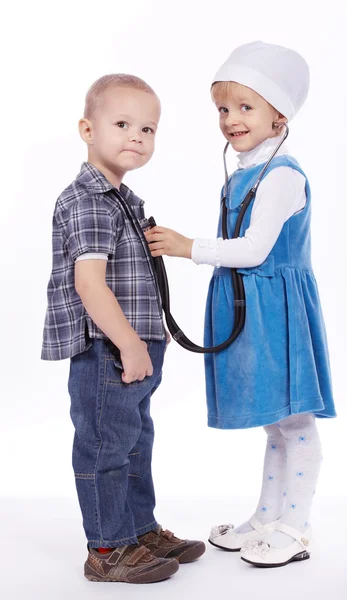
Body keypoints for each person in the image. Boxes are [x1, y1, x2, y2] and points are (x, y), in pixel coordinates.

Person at [145, 42, 337, 568]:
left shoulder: (282, 174)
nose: (231, 119)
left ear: (280, 115)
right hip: (253, 303)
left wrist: (188, 247)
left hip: (278, 308)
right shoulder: (246, 171)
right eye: (223, 109)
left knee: (295, 420)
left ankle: (295, 528)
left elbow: (255, 249)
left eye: (245, 107)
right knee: (276, 422)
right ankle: (267, 516)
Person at [41, 73, 205, 584]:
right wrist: (130, 344)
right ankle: (108, 547)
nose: (138, 136)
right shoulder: (90, 199)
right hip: (109, 348)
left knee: (135, 441)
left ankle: (138, 528)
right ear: (87, 130)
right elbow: (90, 283)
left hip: (136, 346)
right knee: (106, 445)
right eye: (122, 124)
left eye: (149, 129)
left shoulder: (124, 201)